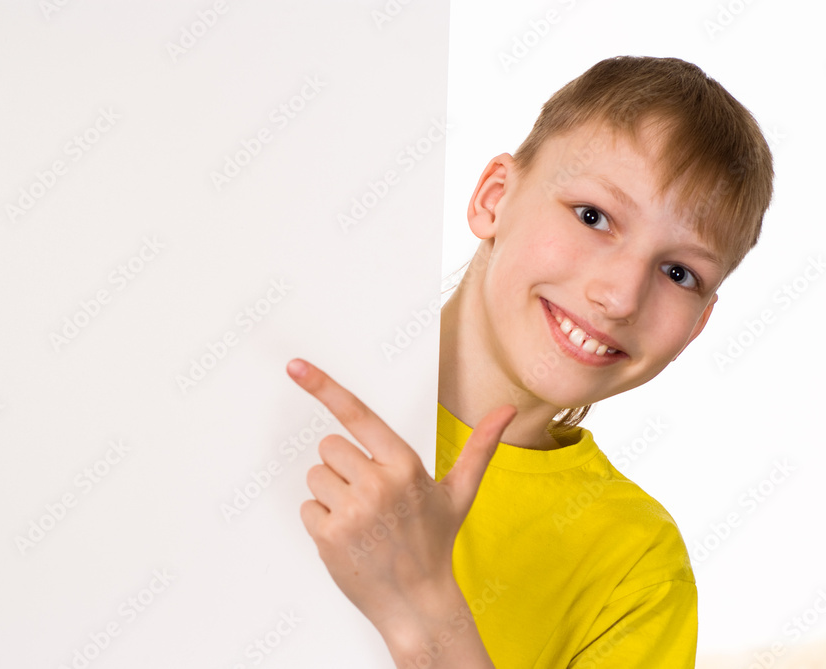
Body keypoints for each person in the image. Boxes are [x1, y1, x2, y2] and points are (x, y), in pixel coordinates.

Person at [287, 55, 774, 668]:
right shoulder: (295, 387)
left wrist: (426, 609)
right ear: (494, 199)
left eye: (679, 273)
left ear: (700, 324)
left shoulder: (637, 568)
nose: (620, 296)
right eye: (594, 216)